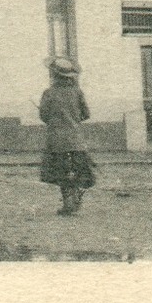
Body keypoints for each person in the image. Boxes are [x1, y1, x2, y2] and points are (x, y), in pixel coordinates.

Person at [38, 56, 94, 215]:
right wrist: (74, 120)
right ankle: (75, 197)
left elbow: (44, 117)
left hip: (56, 141)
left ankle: (68, 203)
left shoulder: (48, 93)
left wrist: (55, 119)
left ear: (54, 75)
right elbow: (86, 114)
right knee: (78, 170)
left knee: (61, 172)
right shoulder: (77, 92)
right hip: (76, 140)